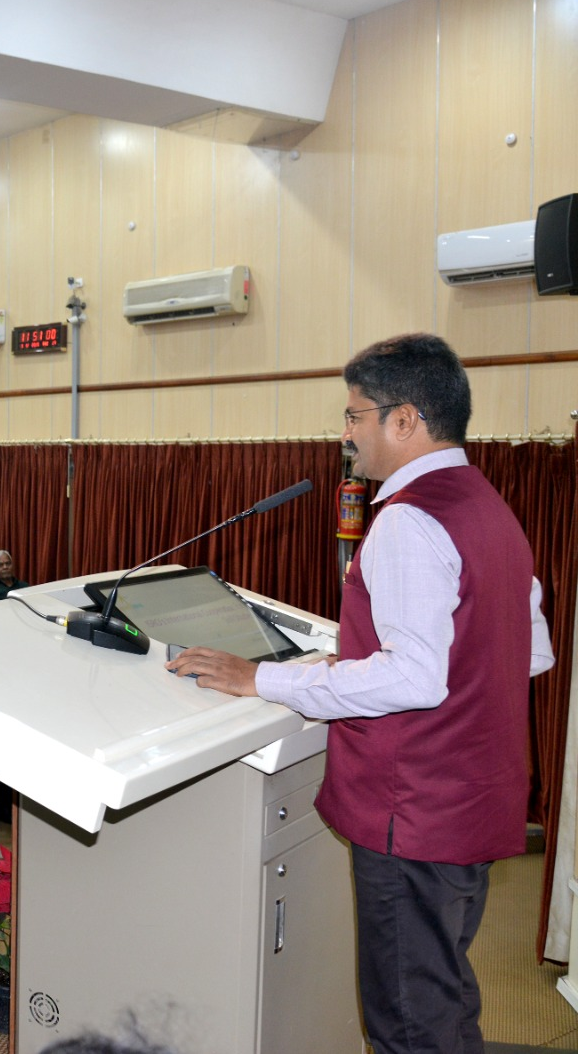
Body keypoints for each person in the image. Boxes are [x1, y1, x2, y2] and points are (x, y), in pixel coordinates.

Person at [167, 333, 555, 1054]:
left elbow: (415, 676)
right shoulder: (488, 507)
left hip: (416, 812)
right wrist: (360, 661)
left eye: (355, 416)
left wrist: (263, 676)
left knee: (411, 1022)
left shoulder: (408, 520)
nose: (346, 435)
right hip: (473, 800)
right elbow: (527, 651)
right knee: (442, 994)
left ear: (404, 419)